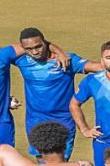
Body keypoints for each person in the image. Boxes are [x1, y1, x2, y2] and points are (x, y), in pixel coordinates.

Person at [13, 27, 101, 159]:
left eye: (38, 46)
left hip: (63, 121)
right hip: (35, 121)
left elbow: (99, 67)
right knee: (42, 162)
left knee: (60, 163)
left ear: (45, 43)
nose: (35, 52)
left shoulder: (67, 61)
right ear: (22, 47)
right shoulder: (22, 61)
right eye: (29, 49)